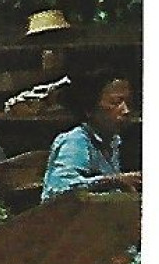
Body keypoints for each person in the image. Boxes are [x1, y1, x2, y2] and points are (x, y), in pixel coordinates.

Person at [42, 69, 141, 200]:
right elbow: (58, 188)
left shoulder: (113, 141)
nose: (126, 110)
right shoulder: (76, 141)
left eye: (129, 103)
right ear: (89, 109)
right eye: (116, 102)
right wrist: (113, 181)